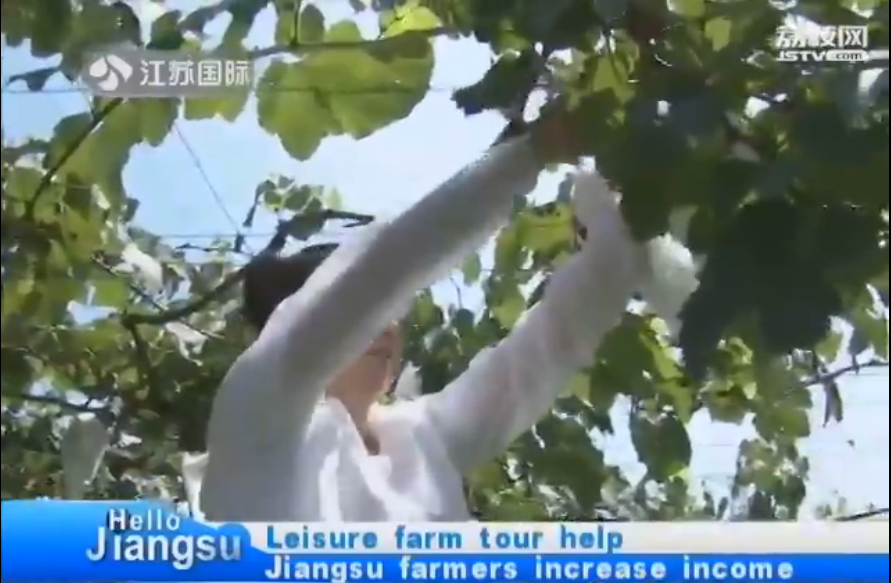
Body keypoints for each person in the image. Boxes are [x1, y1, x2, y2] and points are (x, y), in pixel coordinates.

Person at [182, 109, 698, 522]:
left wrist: (617, 230)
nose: (387, 325)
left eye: (395, 315)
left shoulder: (420, 436)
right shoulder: (258, 413)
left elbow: (545, 351)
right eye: (372, 313)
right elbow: (374, 276)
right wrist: (531, 153)